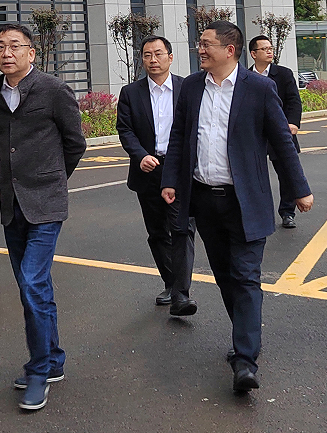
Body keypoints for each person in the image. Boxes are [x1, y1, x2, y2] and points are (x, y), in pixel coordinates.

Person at [160, 21, 314, 394]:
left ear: (229, 50)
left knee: (246, 277)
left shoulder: (258, 88)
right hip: (204, 200)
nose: (200, 49)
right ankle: (244, 334)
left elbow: (281, 141)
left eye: (206, 44)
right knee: (226, 277)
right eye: (199, 43)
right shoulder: (192, 87)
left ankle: (245, 359)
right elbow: (180, 136)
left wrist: (298, 189)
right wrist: (170, 180)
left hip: (245, 202)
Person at [0, 23, 86, 411]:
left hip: (46, 204)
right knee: (33, 286)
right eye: (0, 47)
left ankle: (39, 370)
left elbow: (75, 143)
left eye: (15, 46)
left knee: (32, 281)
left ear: (31, 52)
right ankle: (54, 359)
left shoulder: (54, 90)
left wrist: (52, 180)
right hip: (12, 204)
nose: (6, 53)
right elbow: (4, 143)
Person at [116, 35, 197, 316]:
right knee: (157, 232)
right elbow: (125, 129)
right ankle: (171, 282)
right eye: (147, 55)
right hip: (147, 170)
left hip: (180, 169)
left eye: (159, 54)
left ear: (170, 57)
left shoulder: (187, 88)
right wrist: (140, 155)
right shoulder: (131, 92)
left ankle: (181, 294)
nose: (153, 60)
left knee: (182, 228)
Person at [248, 34, 304, 229]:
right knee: (252, 173)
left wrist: (293, 123)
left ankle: (287, 212)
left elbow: (294, 101)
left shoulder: (283, 74)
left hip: (280, 131)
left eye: (270, 48)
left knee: (286, 172)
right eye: (264, 49)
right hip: (254, 133)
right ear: (253, 54)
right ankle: (254, 211)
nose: (269, 52)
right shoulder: (245, 76)